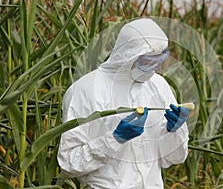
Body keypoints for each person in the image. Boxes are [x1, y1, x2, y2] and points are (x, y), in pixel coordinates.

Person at [57, 18, 190, 189]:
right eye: (147, 62)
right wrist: (114, 139)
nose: (153, 69)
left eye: (158, 62)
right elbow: (69, 163)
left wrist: (174, 132)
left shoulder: (159, 86)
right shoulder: (86, 90)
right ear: (128, 56)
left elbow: (174, 158)